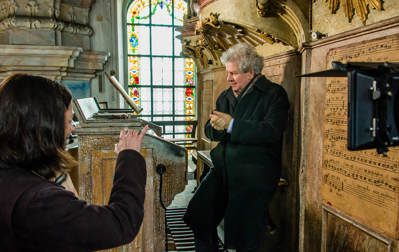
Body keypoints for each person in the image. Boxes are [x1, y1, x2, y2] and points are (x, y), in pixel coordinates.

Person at [0, 74, 149, 251]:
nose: (72, 129)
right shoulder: (39, 202)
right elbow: (119, 224)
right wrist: (129, 155)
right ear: (45, 126)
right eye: (70, 121)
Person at [184, 43, 289, 252]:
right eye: (227, 73)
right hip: (224, 169)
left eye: (233, 73)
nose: (229, 78)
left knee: (244, 239)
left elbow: (271, 132)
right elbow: (210, 130)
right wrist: (217, 128)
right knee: (198, 217)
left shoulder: (274, 94)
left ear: (251, 71)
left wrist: (231, 125)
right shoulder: (226, 96)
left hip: (254, 173)